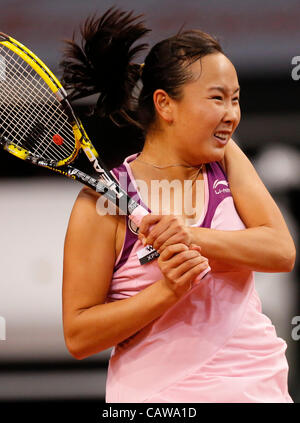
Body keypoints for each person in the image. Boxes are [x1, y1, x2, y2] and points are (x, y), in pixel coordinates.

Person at [61, 7, 296, 403]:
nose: (232, 115)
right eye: (217, 99)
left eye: (235, 100)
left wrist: (193, 237)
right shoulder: (99, 203)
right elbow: (79, 335)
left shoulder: (226, 160)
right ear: (165, 105)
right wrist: (167, 292)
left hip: (261, 392)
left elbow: (281, 251)